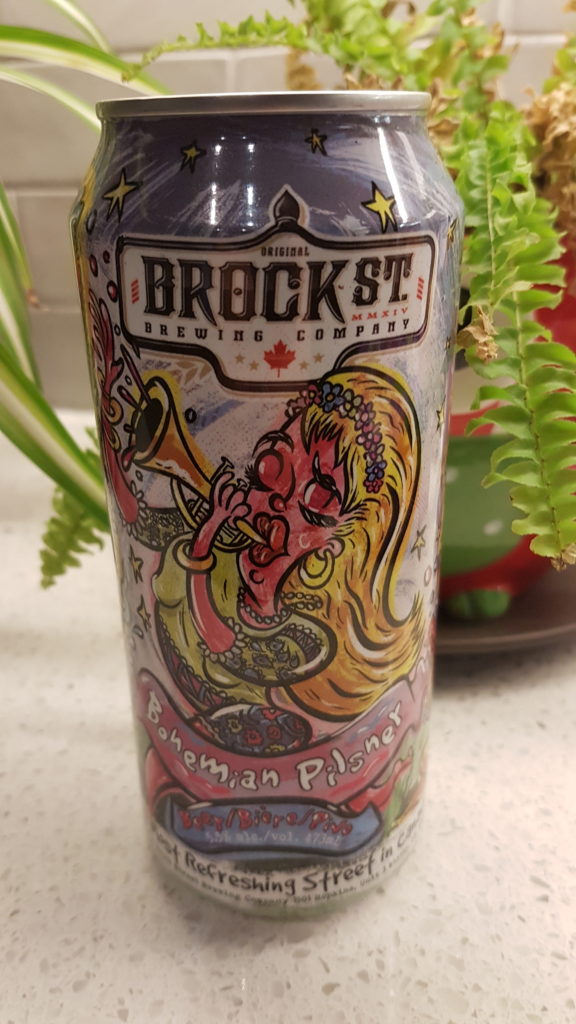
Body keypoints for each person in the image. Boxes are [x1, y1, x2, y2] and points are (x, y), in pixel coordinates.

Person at [152, 364, 424, 753]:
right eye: (272, 467)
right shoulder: (225, 562)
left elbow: (218, 641)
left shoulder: (308, 641)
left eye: (318, 497)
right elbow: (143, 522)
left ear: (338, 546)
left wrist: (205, 540)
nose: (277, 502)